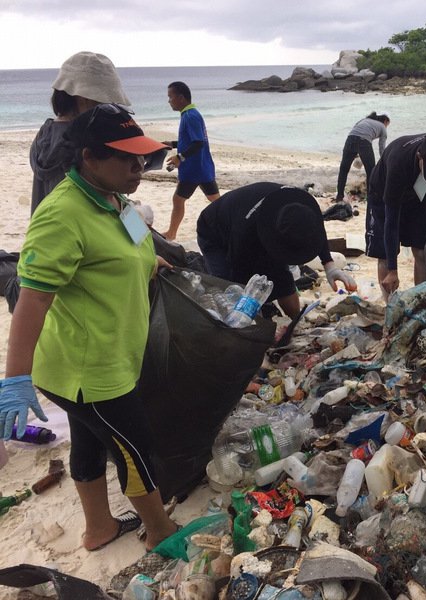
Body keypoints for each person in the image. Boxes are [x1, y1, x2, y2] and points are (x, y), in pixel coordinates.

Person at [0, 104, 178, 551]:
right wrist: (15, 378)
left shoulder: (116, 200)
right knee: (135, 451)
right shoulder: (61, 214)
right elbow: (33, 297)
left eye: (144, 158)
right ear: (89, 157)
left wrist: (153, 263)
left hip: (108, 360)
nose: (139, 167)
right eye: (127, 158)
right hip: (89, 373)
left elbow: (137, 249)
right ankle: (160, 531)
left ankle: (98, 528)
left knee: (89, 442)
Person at [196, 182, 357, 320]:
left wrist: (329, 265)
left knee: (280, 275)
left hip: (262, 222)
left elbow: (316, 231)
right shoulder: (244, 234)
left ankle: (296, 321)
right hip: (214, 232)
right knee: (229, 287)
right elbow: (239, 280)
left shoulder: (300, 208)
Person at [29, 51, 131, 215]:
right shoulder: (85, 141)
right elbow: (106, 201)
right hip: (80, 235)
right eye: (107, 102)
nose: (111, 108)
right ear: (85, 99)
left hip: (47, 227)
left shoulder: (45, 132)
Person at [365, 132, 426, 299]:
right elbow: (391, 222)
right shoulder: (399, 163)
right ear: (419, 157)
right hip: (383, 195)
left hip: (420, 194)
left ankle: (422, 300)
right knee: (385, 254)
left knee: (423, 249)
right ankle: (391, 303)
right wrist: (393, 270)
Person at [163, 81, 220, 240]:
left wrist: (179, 157)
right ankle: (230, 225)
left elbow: (199, 142)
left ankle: (171, 233)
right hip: (202, 168)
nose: (169, 101)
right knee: (216, 201)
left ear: (180, 98)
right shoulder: (191, 114)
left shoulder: (190, 116)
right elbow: (191, 140)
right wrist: (173, 144)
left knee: (178, 199)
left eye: (170, 97)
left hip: (194, 170)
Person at [335, 112, 390, 201]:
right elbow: (381, 148)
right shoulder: (382, 127)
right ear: (385, 121)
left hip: (350, 139)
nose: (387, 127)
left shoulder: (364, 120)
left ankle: (339, 196)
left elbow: (355, 132)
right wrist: (385, 162)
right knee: (371, 171)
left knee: (344, 169)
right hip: (364, 142)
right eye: (387, 125)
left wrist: (356, 155)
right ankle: (370, 197)